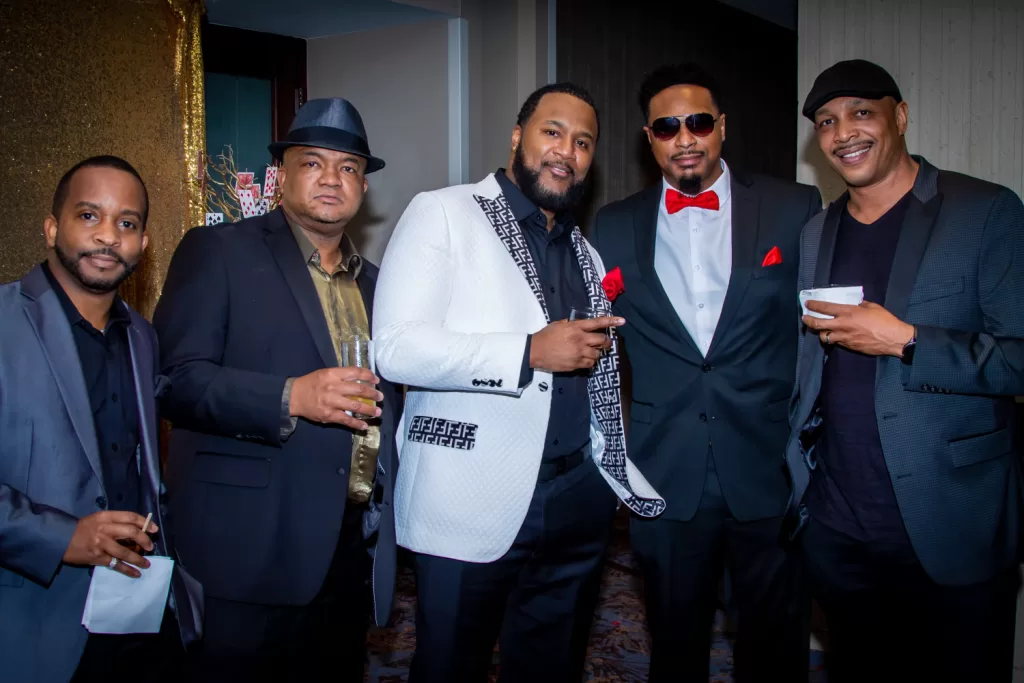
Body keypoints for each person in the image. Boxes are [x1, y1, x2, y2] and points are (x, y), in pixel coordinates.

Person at [372, 82, 664, 682]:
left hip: (576, 502)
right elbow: (396, 349)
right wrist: (529, 351)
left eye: (583, 142)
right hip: (465, 499)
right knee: (451, 667)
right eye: (552, 132)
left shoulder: (584, 252)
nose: (567, 152)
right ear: (517, 136)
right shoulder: (444, 212)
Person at [787, 58, 1024, 682]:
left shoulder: (986, 211)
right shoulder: (817, 232)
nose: (843, 133)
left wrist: (908, 340)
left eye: (861, 113)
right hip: (840, 527)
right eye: (827, 122)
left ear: (900, 116)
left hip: (949, 525)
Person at [153, 98, 401, 682]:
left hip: (346, 545)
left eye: (347, 168)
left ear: (363, 188)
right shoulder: (218, 251)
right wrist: (291, 396)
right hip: (246, 544)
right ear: (282, 176)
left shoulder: (380, 285)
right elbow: (172, 379)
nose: (331, 180)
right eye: (313, 163)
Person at [591, 63, 822, 682]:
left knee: (774, 644)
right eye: (668, 127)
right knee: (674, 642)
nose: (684, 137)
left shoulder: (792, 207)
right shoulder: (611, 225)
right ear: (650, 138)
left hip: (767, 464)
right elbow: (595, 342)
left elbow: (820, 328)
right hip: (665, 468)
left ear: (721, 127)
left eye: (698, 122)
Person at [0, 156, 203, 683]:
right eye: (89, 216)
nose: (108, 236)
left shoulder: (142, 336)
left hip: (136, 606)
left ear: (143, 242)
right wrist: (59, 539)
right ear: (52, 228)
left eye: (127, 223)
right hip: (33, 617)